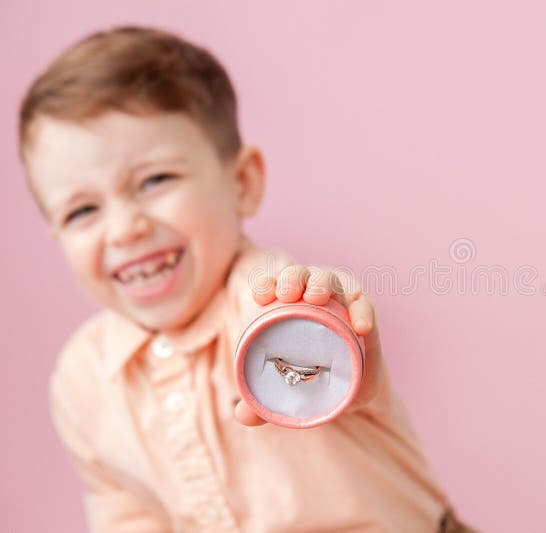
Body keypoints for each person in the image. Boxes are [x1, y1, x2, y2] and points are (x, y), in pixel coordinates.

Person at [18, 25, 476, 532]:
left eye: (154, 180)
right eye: (82, 211)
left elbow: (314, 335)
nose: (126, 229)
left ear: (242, 184)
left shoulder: (264, 297)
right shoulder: (82, 379)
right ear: (56, 236)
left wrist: (331, 329)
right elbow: (125, 511)